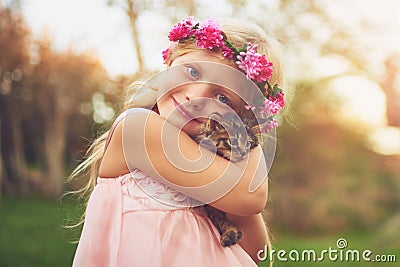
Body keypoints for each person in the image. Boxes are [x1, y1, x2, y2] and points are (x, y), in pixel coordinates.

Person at [70, 16, 286, 267]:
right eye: (193, 71)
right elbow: (252, 197)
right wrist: (251, 134)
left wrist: (243, 132)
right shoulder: (137, 128)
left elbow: (255, 253)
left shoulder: (218, 170)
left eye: (223, 98)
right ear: (171, 59)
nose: (194, 97)